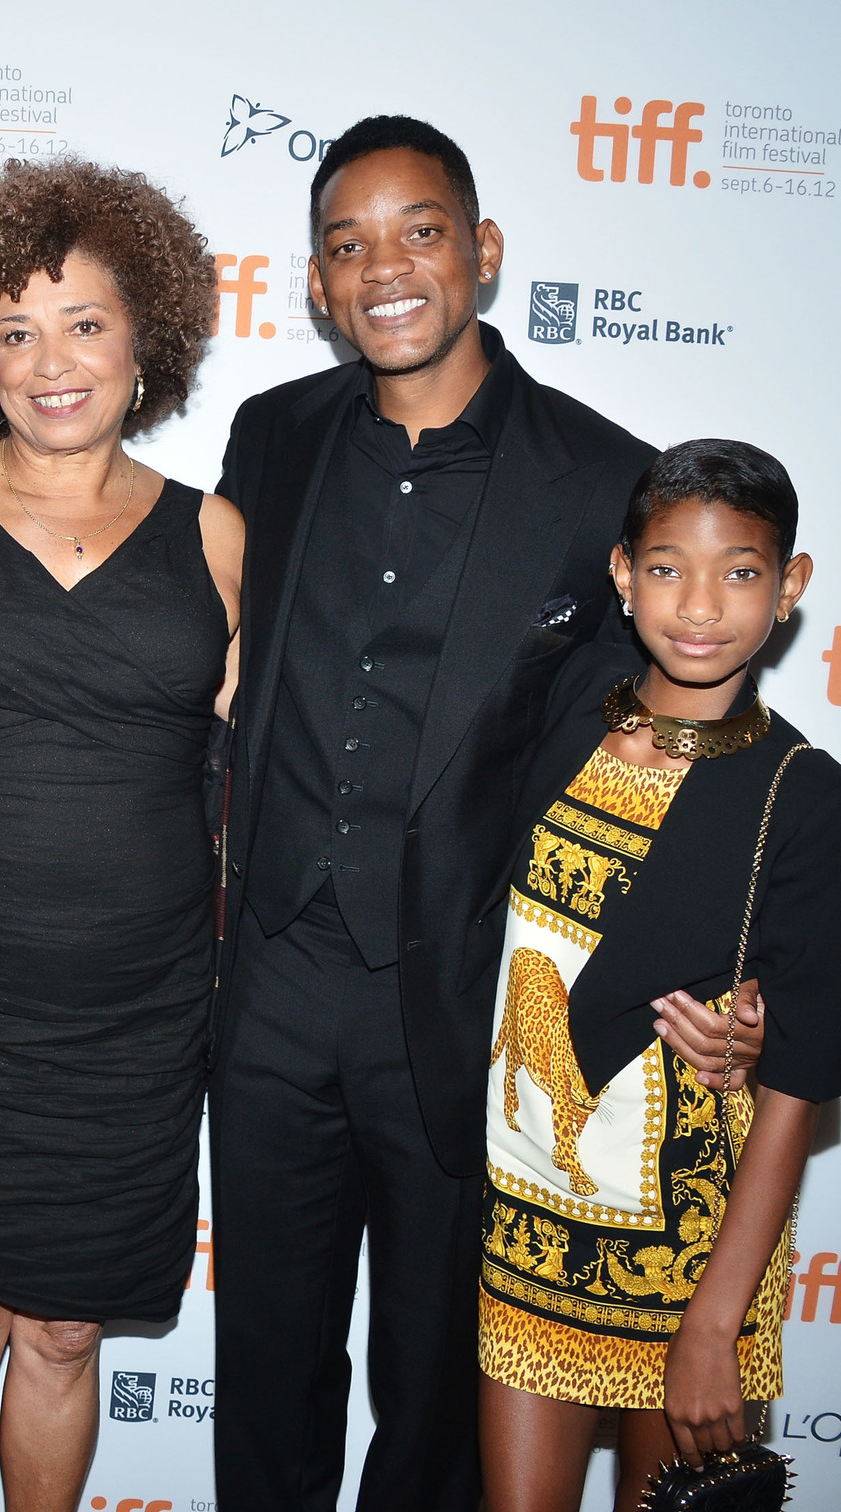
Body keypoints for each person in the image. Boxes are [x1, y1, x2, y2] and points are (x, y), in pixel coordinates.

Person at [208, 115, 757, 1512]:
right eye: (349, 244)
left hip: (465, 1007)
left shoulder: (601, 480)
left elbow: (664, 744)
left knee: (437, 1392)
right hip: (266, 988)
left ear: (484, 253)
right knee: (266, 1370)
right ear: (320, 282)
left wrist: (739, 970)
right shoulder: (268, 437)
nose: (385, 267)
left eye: (420, 231)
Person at [0, 157, 238, 1512]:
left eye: (85, 323)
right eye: (15, 330)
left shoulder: (217, 537)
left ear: (149, 342)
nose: (51, 360)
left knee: (65, 1333)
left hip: (133, 1025)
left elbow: (258, 777)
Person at [479, 440, 835, 1512]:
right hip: (523, 1219)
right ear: (621, 574)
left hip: (689, 1257)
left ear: (788, 589)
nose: (699, 603)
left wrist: (713, 1324)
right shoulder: (565, 710)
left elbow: (799, 1078)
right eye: (667, 566)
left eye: (739, 571)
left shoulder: (799, 795)